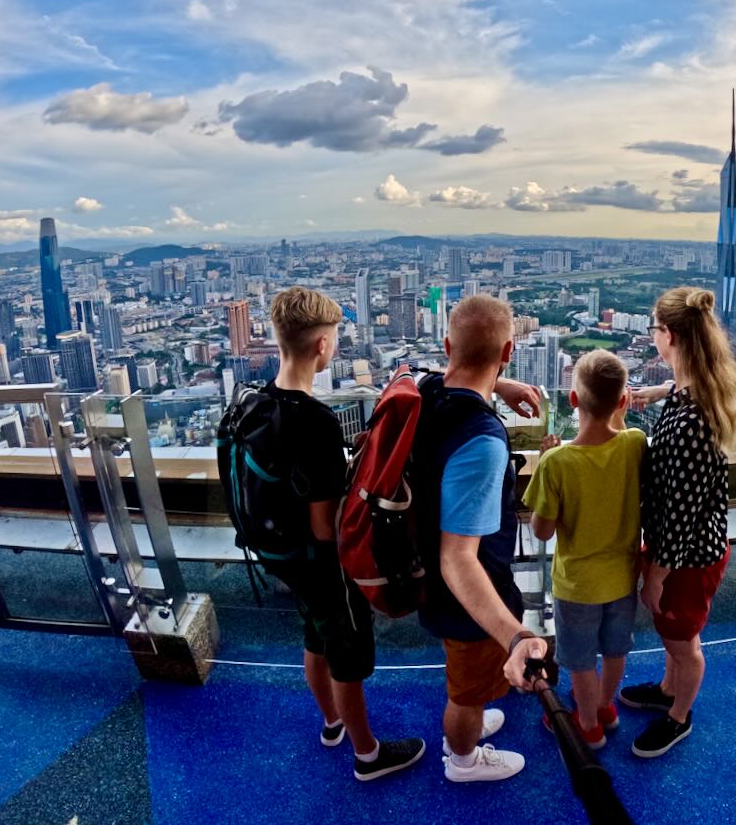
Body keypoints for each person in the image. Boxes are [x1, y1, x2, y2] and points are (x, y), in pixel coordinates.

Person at [259, 287, 425, 780]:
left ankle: (331, 723)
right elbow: (324, 524)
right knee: (346, 658)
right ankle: (367, 754)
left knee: (315, 639)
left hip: (284, 558)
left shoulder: (253, 404)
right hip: (323, 565)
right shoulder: (315, 421)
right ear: (323, 347)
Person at [414, 294, 550, 783]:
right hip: (466, 595)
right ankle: (463, 758)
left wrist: (499, 383)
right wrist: (515, 635)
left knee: (467, 679)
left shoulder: (423, 390)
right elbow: (459, 559)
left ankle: (466, 724)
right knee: (465, 692)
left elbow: (429, 369)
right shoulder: (481, 441)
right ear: (508, 350)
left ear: (448, 345)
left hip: (422, 565)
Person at [619, 287, 736, 758]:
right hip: (691, 548)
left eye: (654, 328)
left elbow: (681, 513)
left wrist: (655, 575)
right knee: (674, 636)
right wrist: (652, 393)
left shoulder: (691, 420)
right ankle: (668, 688)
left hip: (686, 557)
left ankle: (679, 716)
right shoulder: (696, 384)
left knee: (683, 642)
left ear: (669, 335)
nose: (652, 335)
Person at [523, 349, 646, 749]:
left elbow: (541, 531)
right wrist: (620, 413)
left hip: (577, 586)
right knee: (614, 651)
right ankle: (606, 707)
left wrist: (543, 465)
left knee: (579, 661)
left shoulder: (558, 462)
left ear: (573, 400)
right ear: (623, 401)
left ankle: (588, 725)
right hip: (624, 578)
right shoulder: (635, 443)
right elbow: (622, 436)